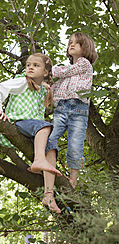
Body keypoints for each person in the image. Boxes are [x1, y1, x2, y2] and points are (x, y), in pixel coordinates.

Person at [0, 53, 62, 214]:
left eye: (36, 65)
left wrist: (46, 86)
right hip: (19, 123)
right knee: (45, 126)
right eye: (28, 65)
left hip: (33, 129)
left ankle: (49, 195)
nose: (30, 67)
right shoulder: (22, 82)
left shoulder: (43, 90)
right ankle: (38, 160)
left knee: (52, 146)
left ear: (45, 72)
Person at [44, 32, 98, 189]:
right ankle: (47, 166)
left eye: (77, 43)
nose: (71, 45)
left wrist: (48, 69)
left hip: (78, 109)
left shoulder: (83, 64)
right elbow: (56, 87)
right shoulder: (68, 69)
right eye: (70, 43)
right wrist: (48, 92)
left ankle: (73, 179)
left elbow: (62, 72)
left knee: (75, 143)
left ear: (85, 48)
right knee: (51, 138)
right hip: (62, 108)